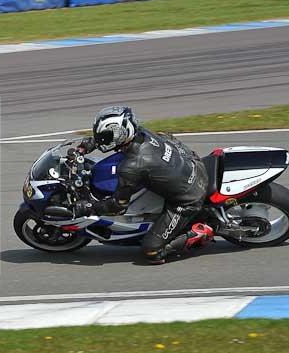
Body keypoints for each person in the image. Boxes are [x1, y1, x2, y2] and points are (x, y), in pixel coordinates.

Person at [75, 106, 214, 264]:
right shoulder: (140, 133)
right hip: (192, 163)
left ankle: (199, 232)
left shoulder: (132, 166)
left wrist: (88, 208)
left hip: (189, 198)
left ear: (120, 134)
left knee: (151, 251)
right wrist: (89, 145)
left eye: (104, 136)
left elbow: (118, 207)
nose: (101, 139)